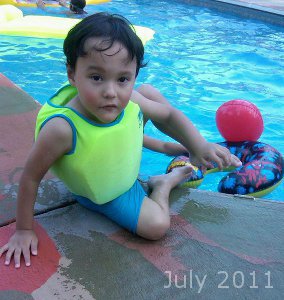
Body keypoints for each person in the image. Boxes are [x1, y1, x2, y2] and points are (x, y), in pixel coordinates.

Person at [0, 12, 241, 268]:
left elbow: (168, 115)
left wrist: (198, 146)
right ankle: (163, 185)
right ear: (72, 74)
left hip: (117, 160)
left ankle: (181, 152)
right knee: (157, 226)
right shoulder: (62, 129)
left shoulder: (129, 98)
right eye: (96, 78)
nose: (110, 92)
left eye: (123, 79)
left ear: (133, 75)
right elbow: (30, 177)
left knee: (147, 95)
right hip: (107, 193)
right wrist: (24, 230)